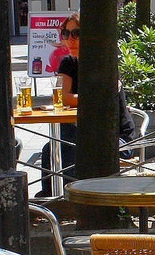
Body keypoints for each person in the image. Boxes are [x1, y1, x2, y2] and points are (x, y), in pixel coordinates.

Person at [40, 14, 137, 194]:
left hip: (116, 138)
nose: (70, 39)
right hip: (84, 130)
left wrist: (82, 98)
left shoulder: (104, 62)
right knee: (52, 148)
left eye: (76, 33)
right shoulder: (68, 62)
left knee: (70, 148)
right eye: (66, 33)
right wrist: (89, 97)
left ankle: (77, 197)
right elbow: (62, 97)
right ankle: (51, 196)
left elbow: (102, 99)